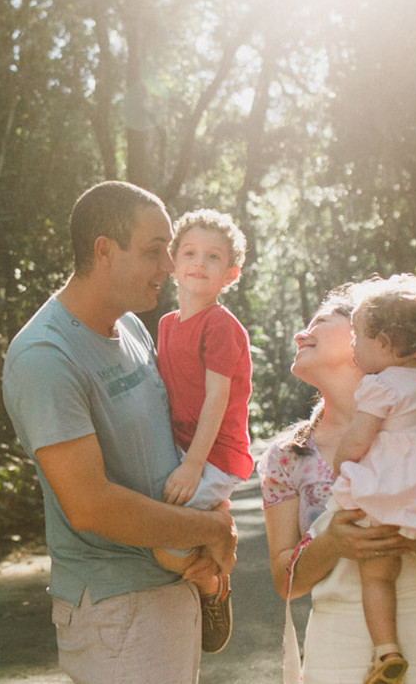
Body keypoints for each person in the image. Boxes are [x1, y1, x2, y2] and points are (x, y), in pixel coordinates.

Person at [2, 181, 237, 684]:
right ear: (104, 251)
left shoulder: (130, 326)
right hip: (118, 611)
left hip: (169, 589)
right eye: (156, 252)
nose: (169, 268)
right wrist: (210, 531)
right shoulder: (45, 358)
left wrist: (198, 543)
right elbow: (90, 505)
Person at [258, 283, 416, 684]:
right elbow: (284, 583)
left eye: (322, 320)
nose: (300, 334)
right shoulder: (288, 456)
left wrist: (415, 539)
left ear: (380, 337)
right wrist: (332, 543)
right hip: (338, 645)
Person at [153, 209, 254, 654]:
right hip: (179, 446)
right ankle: (211, 529)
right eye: (190, 252)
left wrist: (194, 467)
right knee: (154, 524)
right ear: (172, 263)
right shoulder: (165, 325)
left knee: (164, 549)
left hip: (214, 453)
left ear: (229, 274)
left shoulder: (220, 326)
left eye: (213, 257)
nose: (199, 261)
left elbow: (216, 399)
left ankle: (215, 575)